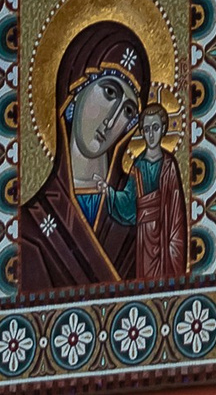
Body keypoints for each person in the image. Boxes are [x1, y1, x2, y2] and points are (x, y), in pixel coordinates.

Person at [19, 19, 189, 294]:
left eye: (128, 111)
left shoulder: (138, 203)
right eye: (109, 92)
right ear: (75, 87)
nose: (112, 121)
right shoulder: (31, 224)